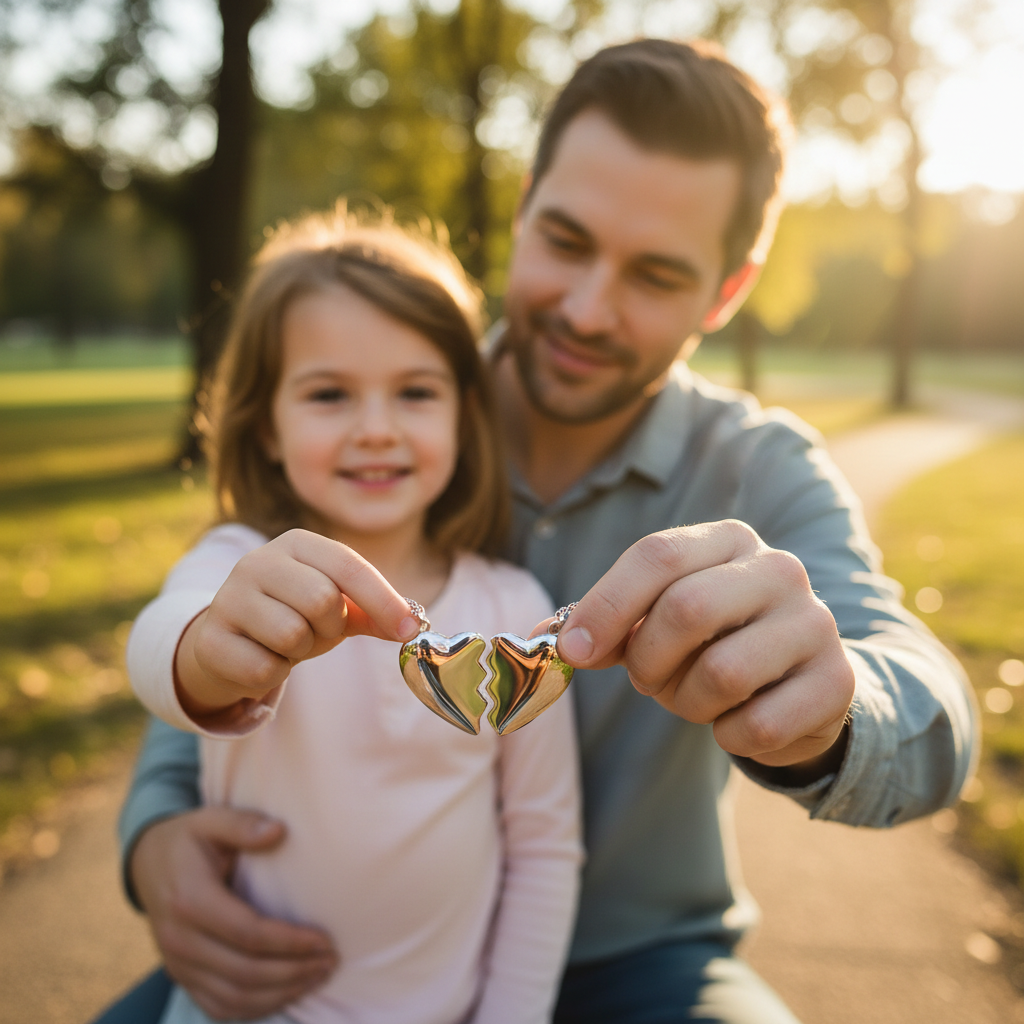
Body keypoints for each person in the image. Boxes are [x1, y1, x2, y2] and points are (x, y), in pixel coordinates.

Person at [103, 38, 976, 1024]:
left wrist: (834, 710)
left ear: (728, 288)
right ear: (522, 209)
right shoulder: (383, 397)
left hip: (641, 964)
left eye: (653, 274)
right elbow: (217, 634)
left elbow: (931, 710)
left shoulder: (758, 468)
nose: (585, 307)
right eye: (564, 240)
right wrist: (154, 836)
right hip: (318, 964)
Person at [119, 211, 582, 1023]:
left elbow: (543, 846)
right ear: (267, 424)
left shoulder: (513, 609)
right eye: (329, 394)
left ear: (462, 415)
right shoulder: (237, 565)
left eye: (415, 392)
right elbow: (159, 649)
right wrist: (209, 648)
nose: (376, 428)